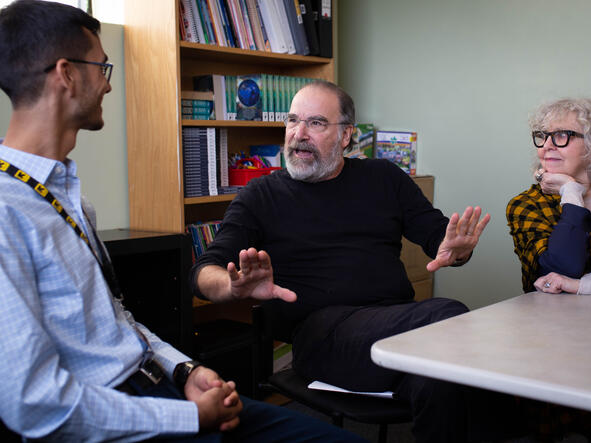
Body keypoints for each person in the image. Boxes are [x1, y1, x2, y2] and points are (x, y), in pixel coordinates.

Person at [0, 1, 366, 441]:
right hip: (120, 414)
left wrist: (183, 369)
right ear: (67, 74)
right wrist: (189, 417)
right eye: (102, 68)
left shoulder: (66, 195)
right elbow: (35, 405)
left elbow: (114, 323)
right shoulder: (9, 211)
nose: (109, 86)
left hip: (158, 387)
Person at [192, 79, 492, 442]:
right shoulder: (262, 195)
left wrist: (457, 248)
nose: (299, 133)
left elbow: (438, 237)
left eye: (316, 123)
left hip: (394, 325)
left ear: (346, 135)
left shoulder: (383, 178)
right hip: (321, 337)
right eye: (292, 121)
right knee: (448, 317)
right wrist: (232, 285)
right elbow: (202, 273)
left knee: (439, 375)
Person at [507, 98, 591, 298]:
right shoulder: (526, 205)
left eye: (561, 135)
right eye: (542, 136)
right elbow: (557, 275)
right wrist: (571, 192)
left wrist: (585, 286)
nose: (547, 145)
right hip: (559, 325)